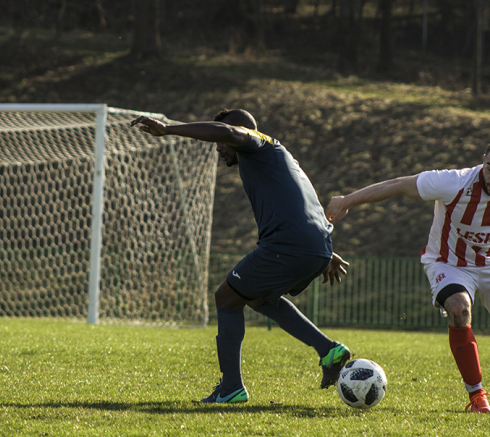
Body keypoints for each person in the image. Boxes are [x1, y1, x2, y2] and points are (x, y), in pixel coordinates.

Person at [130, 109, 350, 403]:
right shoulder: (279, 157)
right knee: (257, 297)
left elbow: (230, 134)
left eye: (221, 142)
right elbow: (303, 201)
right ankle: (328, 350)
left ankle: (232, 387)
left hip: (292, 246)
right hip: (315, 245)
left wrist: (169, 129)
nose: (219, 149)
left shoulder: (257, 142)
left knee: (227, 298)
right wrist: (326, 251)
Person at [326, 146, 490, 413]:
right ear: (483, 162)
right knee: (459, 309)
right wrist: (346, 201)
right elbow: (398, 185)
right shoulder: (455, 183)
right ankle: (477, 396)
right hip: (448, 263)